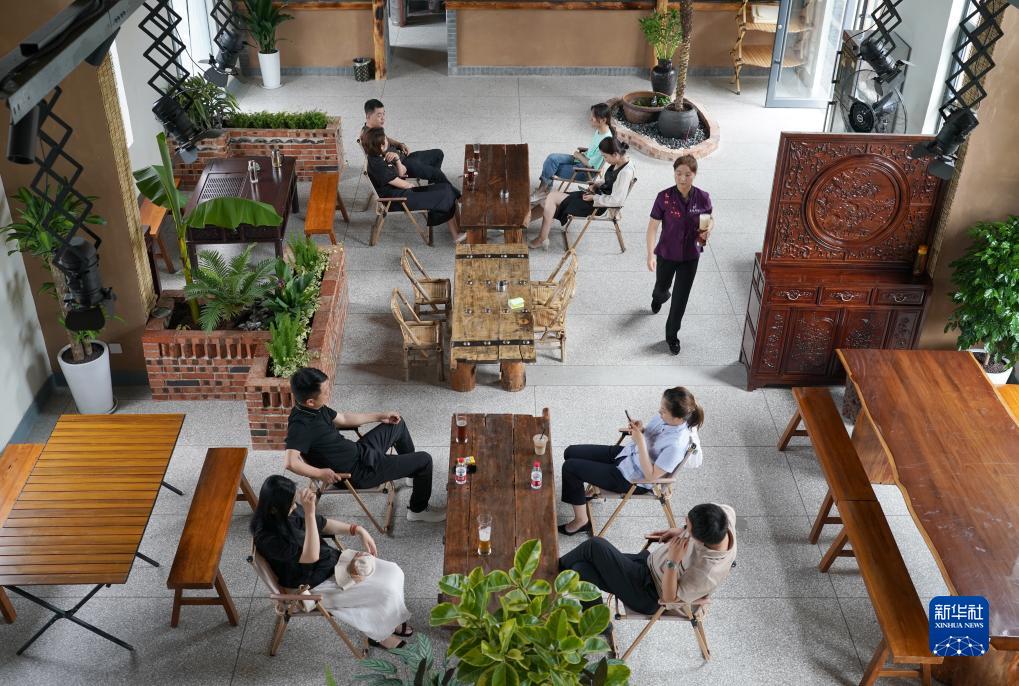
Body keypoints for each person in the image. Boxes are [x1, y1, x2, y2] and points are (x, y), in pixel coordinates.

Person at [251, 475, 413, 648]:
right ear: (274, 509)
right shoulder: (267, 538)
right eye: (291, 504)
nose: (295, 506)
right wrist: (309, 513)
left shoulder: (286, 511)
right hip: (311, 585)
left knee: (394, 572)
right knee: (385, 591)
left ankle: (389, 621)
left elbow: (323, 524)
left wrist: (357, 529)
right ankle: (381, 635)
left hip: (331, 563)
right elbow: (310, 556)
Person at [283, 366, 446, 522]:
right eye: (325, 392)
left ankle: (412, 473)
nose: (329, 393)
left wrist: (380, 416)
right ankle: (417, 511)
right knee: (424, 460)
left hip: (361, 452)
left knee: (397, 423)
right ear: (310, 401)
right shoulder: (300, 426)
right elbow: (290, 462)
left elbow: (343, 419)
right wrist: (320, 473)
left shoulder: (315, 408)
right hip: (359, 473)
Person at [557, 387, 704, 535]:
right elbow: (651, 436)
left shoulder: (676, 445)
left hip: (632, 478)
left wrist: (640, 442)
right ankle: (583, 493)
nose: (659, 412)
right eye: (661, 407)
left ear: (678, 418)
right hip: (626, 455)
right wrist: (641, 429)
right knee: (570, 452)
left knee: (570, 468)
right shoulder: (666, 419)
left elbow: (651, 476)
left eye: (664, 411)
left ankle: (581, 521)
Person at [558, 503, 737, 616]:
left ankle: (550, 575)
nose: (685, 528)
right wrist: (681, 530)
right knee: (581, 569)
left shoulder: (706, 571)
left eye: (688, 529)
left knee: (595, 545)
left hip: (649, 593)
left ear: (699, 540)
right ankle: (597, 621)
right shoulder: (724, 515)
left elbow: (668, 599)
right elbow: (721, 515)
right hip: (646, 564)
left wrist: (673, 561)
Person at [647, 154, 714, 356]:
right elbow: (652, 227)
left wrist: (707, 231)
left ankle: (672, 335)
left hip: (690, 256)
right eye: (678, 173)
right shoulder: (664, 197)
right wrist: (650, 255)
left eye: (687, 174)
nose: (682, 178)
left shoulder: (703, 197)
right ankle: (658, 297)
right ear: (674, 173)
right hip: (666, 253)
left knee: (680, 299)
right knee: (661, 288)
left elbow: (708, 221)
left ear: (694, 174)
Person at [529, 137, 635, 250]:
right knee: (547, 200)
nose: (605, 160)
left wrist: (594, 197)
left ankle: (541, 238)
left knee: (552, 197)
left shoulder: (626, 172)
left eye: (605, 157)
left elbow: (617, 200)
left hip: (600, 206)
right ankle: (523, 222)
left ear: (615, 154)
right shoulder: (618, 160)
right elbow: (609, 181)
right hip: (595, 197)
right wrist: (596, 184)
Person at [363, 128, 466, 243]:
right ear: (381, 146)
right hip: (395, 200)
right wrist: (425, 191)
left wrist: (397, 159)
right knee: (443, 193)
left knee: (445, 188)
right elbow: (406, 185)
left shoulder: (380, 155)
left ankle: (458, 227)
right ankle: (455, 235)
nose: (388, 141)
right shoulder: (378, 165)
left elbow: (401, 173)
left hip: (400, 192)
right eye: (385, 140)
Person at [361, 98, 452, 188]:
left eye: (384, 114)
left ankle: (432, 183)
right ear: (368, 116)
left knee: (438, 154)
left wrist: (400, 144)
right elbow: (377, 159)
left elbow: (387, 138)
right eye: (379, 115)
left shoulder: (376, 129)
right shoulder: (367, 137)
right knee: (437, 174)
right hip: (402, 165)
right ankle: (444, 188)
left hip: (405, 157)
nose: (383, 118)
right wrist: (397, 163)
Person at [532, 103, 614, 201]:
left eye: (593, 117)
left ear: (603, 120)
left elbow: (592, 166)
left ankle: (542, 191)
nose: (590, 119)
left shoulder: (606, 140)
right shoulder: (599, 131)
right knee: (551, 158)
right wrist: (580, 156)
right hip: (580, 160)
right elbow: (593, 153)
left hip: (585, 171)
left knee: (551, 167)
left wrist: (578, 155)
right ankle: (544, 190)